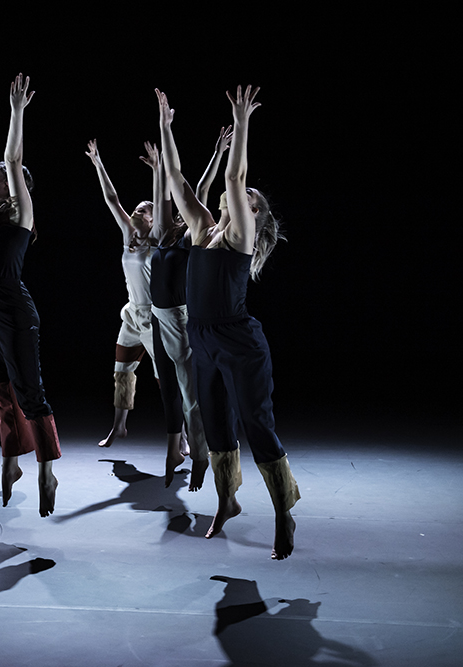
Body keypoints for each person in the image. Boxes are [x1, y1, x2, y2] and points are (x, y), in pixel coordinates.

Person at [157, 86, 298, 559]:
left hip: (239, 341)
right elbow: (175, 177)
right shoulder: (201, 229)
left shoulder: (241, 232)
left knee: (256, 424)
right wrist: (166, 127)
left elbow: (235, 176)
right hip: (202, 338)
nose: (241, 191)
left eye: (249, 196)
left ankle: (283, 512)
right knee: (216, 425)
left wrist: (241, 122)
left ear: (252, 212)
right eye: (244, 193)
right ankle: (227, 501)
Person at [0, 76, 60, 518]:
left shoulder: (22, 214)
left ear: (20, 185)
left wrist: (16, 110)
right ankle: (11, 460)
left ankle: (47, 471)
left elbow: (11, 157)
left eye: (1, 178)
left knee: (29, 392)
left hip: (16, 313)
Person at [138, 140, 210, 491]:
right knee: (168, 388)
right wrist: (158, 169)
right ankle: (173, 450)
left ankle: (201, 455)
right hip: (156, 315)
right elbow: (163, 197)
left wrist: (216, 155)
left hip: (179, 320)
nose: (178, 207)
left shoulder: (193, 235)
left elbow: (198, 190)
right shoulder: (164, 234)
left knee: (189, 392)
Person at [85, 139, 161, 451]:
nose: (137, 210)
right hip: (131, 314)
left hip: (155, 317)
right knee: (121, 372)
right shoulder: (129, 234)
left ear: (154, 219)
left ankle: (182, 434)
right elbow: (112, 199)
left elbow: (162, 201)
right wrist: (98, 163)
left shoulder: (158, 239)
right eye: (137, 208)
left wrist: (157, 171)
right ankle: (119, 426)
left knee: (167, 378)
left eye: (145, 209)